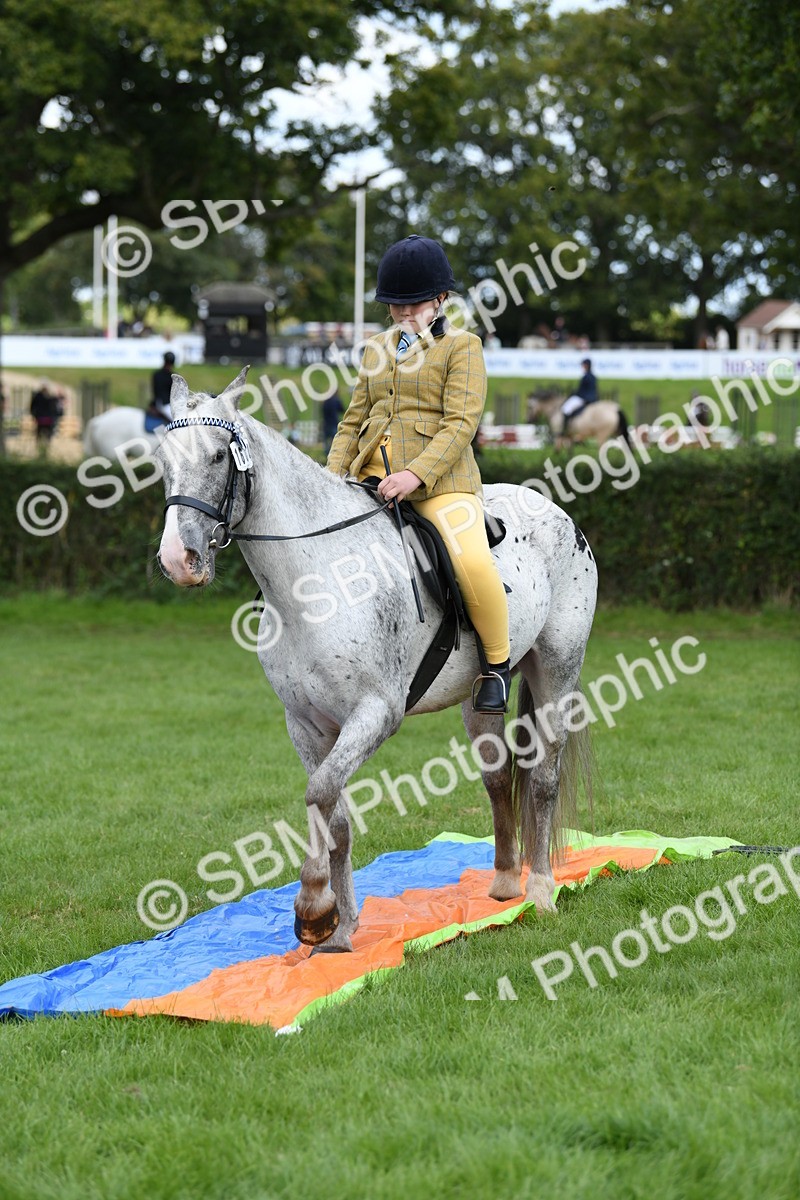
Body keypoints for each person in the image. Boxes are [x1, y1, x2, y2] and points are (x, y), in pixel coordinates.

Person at [326, 234, 511, 712]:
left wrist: (415, 475)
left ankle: (497, 664)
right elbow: (353, 421)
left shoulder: (462, 347)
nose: (405, 313)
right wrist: (330, 478)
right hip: (369, 476)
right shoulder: (375, 348)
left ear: (440, 299)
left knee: (471, 561)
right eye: (396, 305)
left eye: (415, 304)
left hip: (440, 483)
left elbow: (461, 423)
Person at [560, 357, 598, 430]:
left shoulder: (585, 377)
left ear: (586, 365)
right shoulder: (593, 376)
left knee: (566, 409)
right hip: (593, 398)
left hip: (584, 398)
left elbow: (581, 391)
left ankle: (564, 429)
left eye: (583, 365)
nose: (582, 366)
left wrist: (573, 394)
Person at [30, 383, 60, 453]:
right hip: (47, 419)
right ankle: (45, 447)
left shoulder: (38, 397)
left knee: (40, 434)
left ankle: (41, 447)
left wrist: (34, 415)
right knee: (47, 434)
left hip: (41, 418)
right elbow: (55, 409)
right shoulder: (51, 397)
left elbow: (32, 407)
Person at [147, 351, 176, 424]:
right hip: (165, 404)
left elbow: (155, 391)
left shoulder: (157, 374)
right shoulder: (174, 376)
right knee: (175, 421)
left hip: (161, 403)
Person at [321, 387, 344, 456]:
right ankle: (332, 455)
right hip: (334, 423)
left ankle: (326, 454)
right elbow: (342, 410)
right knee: (334, 441)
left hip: (326, 424)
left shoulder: (325, 401)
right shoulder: (336, 400)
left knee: (326, 441)